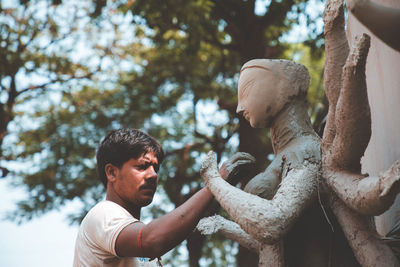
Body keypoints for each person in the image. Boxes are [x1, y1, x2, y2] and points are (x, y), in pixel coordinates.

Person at [73, 128, 254, 267]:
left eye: (156, 168)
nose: (153, 175)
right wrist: (215, 185)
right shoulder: (103, 213)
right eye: (142, 166)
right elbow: (151, 241)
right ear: (111, 172)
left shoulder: (131, 233)